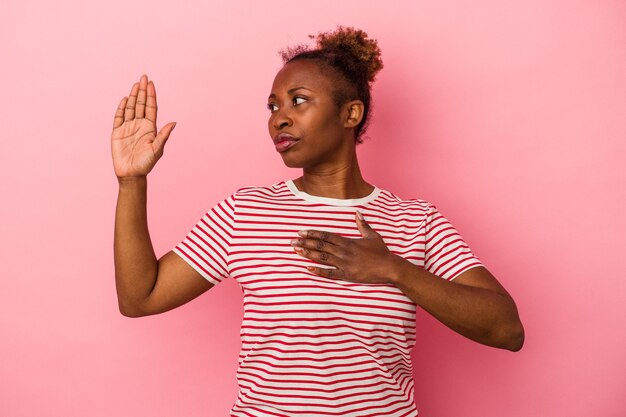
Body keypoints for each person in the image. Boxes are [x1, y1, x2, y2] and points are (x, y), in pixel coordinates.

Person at [112, 26, 524, 417]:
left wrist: (393, 269)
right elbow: (140, 298)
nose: (279, 118)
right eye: (273, 106)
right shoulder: (245, 212)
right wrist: (132, 182)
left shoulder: (415, 221)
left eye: (299, 100)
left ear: (351, 113)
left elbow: (507, 329)